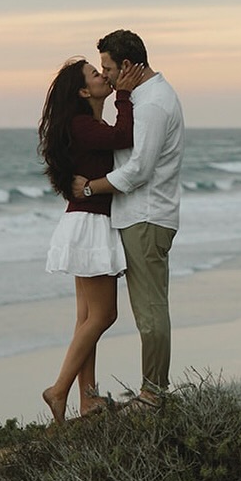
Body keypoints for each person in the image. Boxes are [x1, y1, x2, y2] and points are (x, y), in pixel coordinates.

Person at [71, 29, 184, 406]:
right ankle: (149, 391)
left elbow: (138, 170)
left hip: (146, 217)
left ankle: (153, 394)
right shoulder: (142, 97)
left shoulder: (152, 103)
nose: (105, 75)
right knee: (146, 308)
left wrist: (90, 189)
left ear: (127, 65)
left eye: (107, 68)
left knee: (150, 310)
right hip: (138, 216)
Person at [39, 55, 144, 424]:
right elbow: (124, 137)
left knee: (86, 318)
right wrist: (125, 96)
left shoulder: (87, 125)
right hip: (90, 224)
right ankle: (58, 389)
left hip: (84, 222)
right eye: (96, 74)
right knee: (104, 315)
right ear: (84, 91)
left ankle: (88, 399)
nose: (104, 77)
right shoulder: (83, 125)